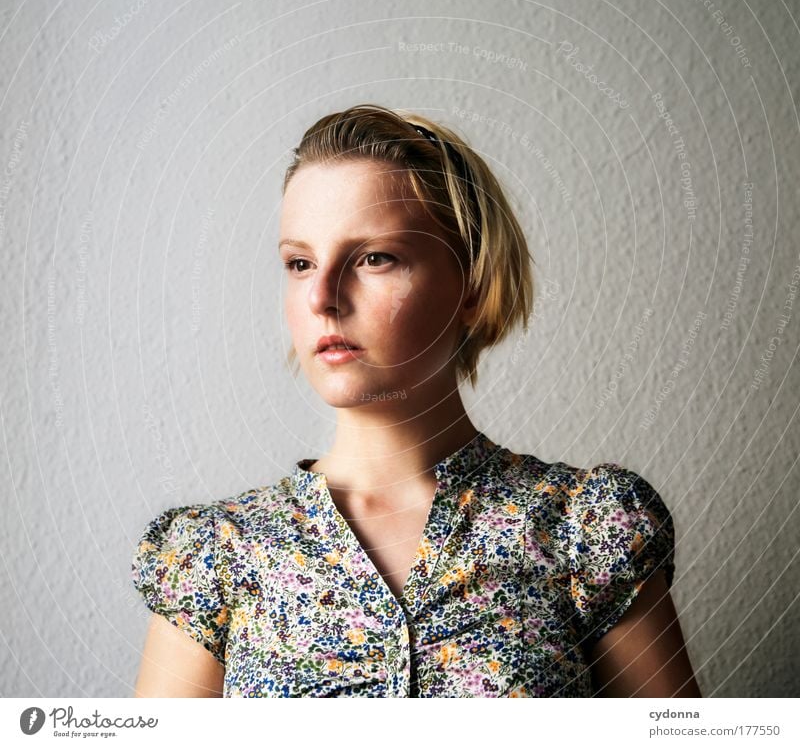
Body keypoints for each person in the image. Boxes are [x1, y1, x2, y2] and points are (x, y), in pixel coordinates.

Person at [131, 104, 702, 698]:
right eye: (300, 263)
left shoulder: (586, 530)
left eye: (375, 258)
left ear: (473, 287)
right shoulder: (215, 557)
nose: (322, 296)